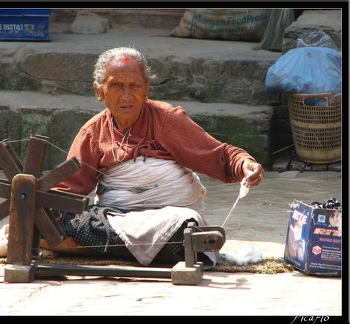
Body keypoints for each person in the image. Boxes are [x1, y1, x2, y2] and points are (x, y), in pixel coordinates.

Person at [50, 46, 266, 268]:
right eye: (116, 85)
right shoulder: (93, 132)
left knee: (185, 228)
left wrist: (246, 165)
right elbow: (66, 191)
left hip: (169, 221)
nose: (126, 95)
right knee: (61, 219)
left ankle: (87, 247)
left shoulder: (166, 120)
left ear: (147, 89)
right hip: (117, 220)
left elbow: (219, 155)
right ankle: (133, 248)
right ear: (99, 91)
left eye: (134, 85)